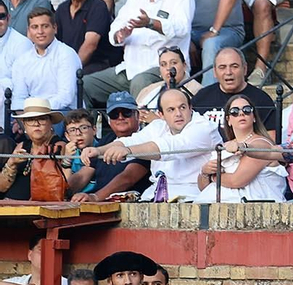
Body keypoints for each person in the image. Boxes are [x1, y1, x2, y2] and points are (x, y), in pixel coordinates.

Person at [82, 85, 218, 201]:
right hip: (154, 196)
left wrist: (129, 151)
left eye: (182, 107)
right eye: (171, 110)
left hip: (193, 197)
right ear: (161, 114)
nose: (178, 114)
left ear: (190, 108)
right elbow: (129, 141)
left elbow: (169, 147)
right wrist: (98, 150)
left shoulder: (204, 127)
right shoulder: (158, 126)